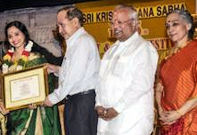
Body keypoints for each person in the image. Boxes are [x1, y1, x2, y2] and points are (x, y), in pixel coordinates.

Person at [95, 5, 158, 135]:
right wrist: (98, 104)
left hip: (131, 122)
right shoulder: (110, 51)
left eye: (119, 22)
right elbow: (100, 80)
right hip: (106, 122)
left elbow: (141, 84)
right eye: (112, 23)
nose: (115, 27)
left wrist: (117, 109)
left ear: (134, 23)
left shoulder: (144, 48)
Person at [44, 6, 100, 135]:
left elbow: (74, 78)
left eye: (62, 25)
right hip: (77, 102)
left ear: (75, 22)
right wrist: (56, 69)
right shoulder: (76, 42)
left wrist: (53, 98)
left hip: (82, 103)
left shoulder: (82, 42)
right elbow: (75, 71)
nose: (59, 30)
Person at [0, 21, 61, 135]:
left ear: (24, 34)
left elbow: (48, 83)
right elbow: (3, 86)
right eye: (10, 36)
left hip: (32, 112)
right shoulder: (6, 61)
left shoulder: (36, 57)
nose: (14, 39)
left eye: (17, 34)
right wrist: (3, 103)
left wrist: (38, 100)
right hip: (13, 113)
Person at [155, 9, 197, 134]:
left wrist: (179, 113)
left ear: (188, 26)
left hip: (191, 119)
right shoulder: (166, 56)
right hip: (169, 122)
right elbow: (159, 86)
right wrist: (161, 110)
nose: (170, 29)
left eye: (175, 24)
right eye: (167, 26)